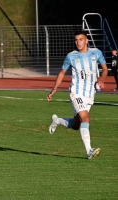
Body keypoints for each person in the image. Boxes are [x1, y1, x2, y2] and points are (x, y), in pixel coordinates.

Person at [47, 30, 108, 160]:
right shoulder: (71, 56)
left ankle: (56, 120)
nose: (78, 42)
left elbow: (105, 69)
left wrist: (102, 79)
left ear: (87, 41)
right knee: (85, 118)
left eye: (81, 39)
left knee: (76, 125)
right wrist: (54, 89)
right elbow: (62, 72)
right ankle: (89, 151)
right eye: (76, 40)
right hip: (76, 93)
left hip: (90, 94)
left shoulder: (96, 53)